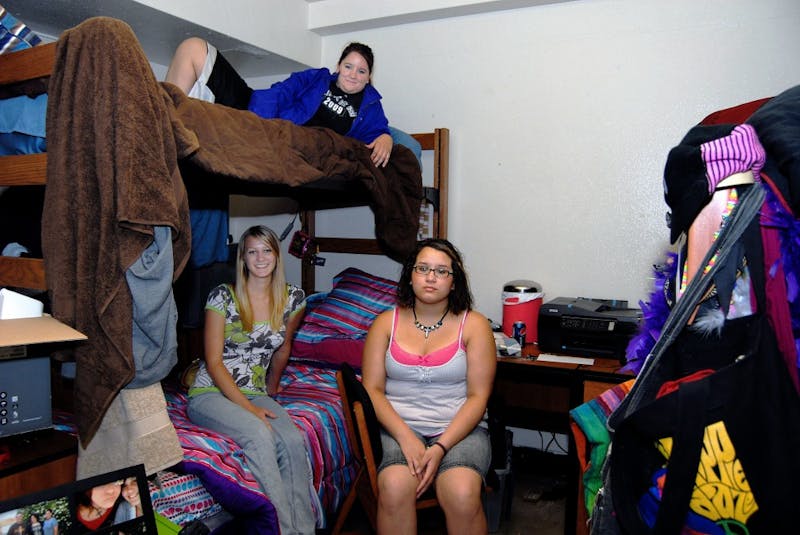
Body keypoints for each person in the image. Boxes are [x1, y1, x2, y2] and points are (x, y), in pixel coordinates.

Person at [362, 238, 497, 535]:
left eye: (441, 271)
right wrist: (405, 437)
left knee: (461, 493)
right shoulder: (384, 323)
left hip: (459, 432)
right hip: (399, 428)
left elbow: (478, 396)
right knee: (394, 488)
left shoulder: (475, 325)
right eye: (423, 268)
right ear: (410, 276)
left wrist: (440, 447)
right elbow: (372, 389)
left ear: (454, 282)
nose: (431, 277)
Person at [186, 225, 314, 535]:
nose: (260, 258)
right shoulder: (222, 297)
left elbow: (283, 347)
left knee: (293, 441)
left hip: (256, 391)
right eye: (252, 251)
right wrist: (250, 408)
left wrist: (271, 389)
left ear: (277, 255)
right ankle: (281, 530)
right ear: (242, 258)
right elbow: (214, 362)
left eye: (267, 250)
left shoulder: (294, 298)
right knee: (259, 434)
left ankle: (304, 531)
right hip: (211, 392)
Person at [166, 37, 398, 168]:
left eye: (361, 71)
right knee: (194, 47)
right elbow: (282, 92)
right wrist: (256, 123)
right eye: (348, 66)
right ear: (338, 67)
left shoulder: (370, 105)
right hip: (255, 111)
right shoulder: (317, 78)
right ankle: (165, 130)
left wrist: (386, 139)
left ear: (368, 77)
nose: (353, 74)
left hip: (279, 135)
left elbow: (379, 132)